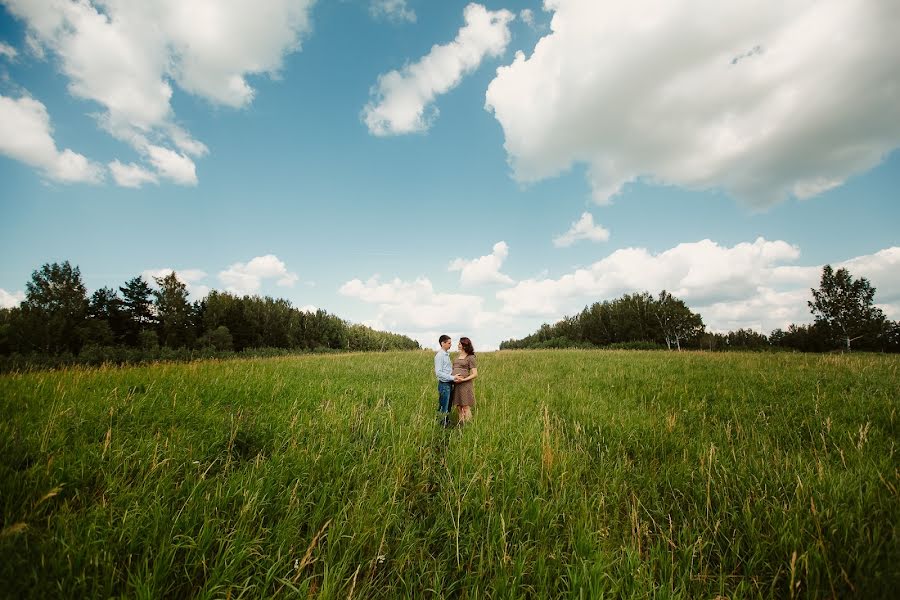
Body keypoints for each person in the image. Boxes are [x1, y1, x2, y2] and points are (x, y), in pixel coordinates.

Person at [452, 337, 478, 425]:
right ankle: (461, 423)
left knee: (465, 406)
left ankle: (468, 424)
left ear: (464, 345)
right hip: (456, 384)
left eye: (459, 343)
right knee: (458, 406)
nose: (458, 345)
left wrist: (463, 379)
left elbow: (475, 374)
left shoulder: (470, 357)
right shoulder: (457, 357)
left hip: (465, 385)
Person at [433, 334, 454, 427]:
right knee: (443, 406)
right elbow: (439, 373)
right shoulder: (440, 356)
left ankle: (446, 423)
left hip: (449, 384)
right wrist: (452, 377)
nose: (451, 345)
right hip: (444, 384)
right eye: (449, 343)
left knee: (448, 406)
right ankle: (441, 426)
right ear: (443, 343)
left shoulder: (446, 355)